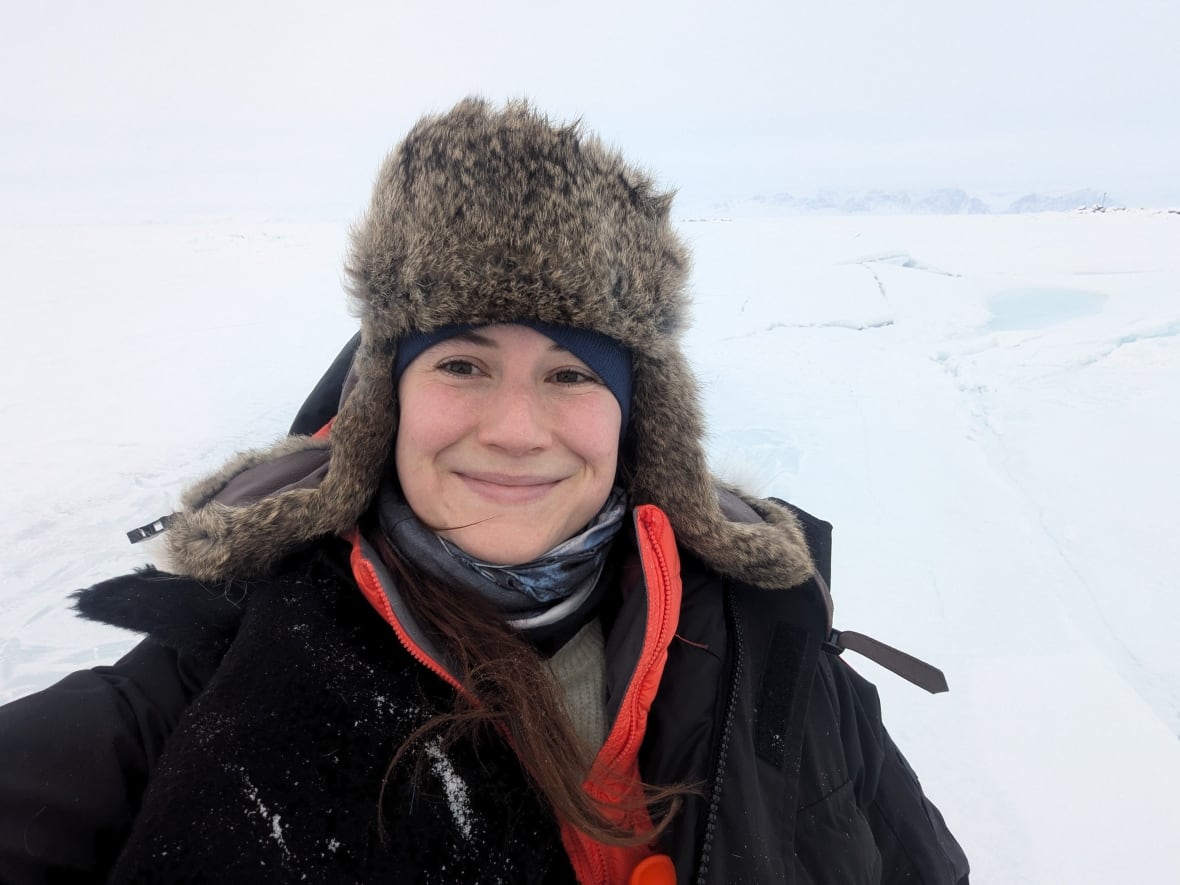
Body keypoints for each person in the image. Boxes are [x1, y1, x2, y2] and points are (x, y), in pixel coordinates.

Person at [0, 98, 969, 884]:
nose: (513, 428)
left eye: (570, 374)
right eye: (462, 364)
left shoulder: (775, 649)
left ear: (640, 421)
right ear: (386, 405)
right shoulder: (208, 669)